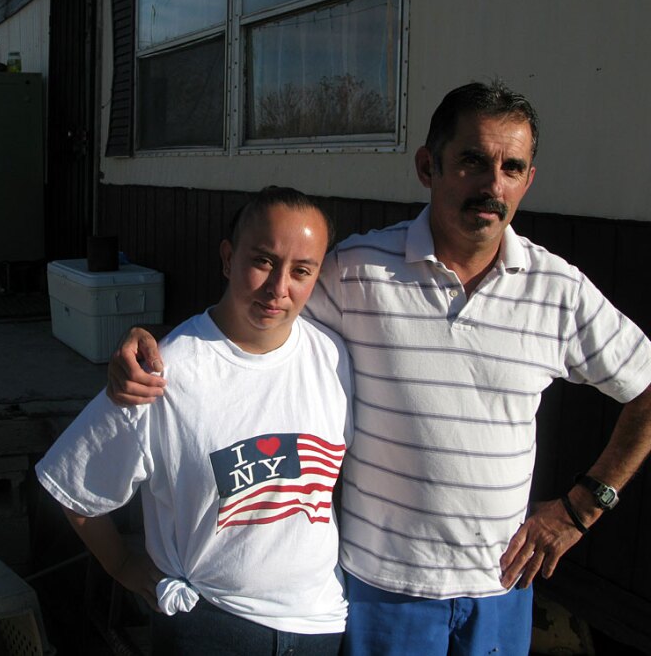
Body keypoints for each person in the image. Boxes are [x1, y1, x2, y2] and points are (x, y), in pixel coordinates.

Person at [107, 80, 651, 654]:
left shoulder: (558, 292)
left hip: (500, 586)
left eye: (512, 167)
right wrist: (151, 348)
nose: (494, 185)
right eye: (471, 160)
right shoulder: (359, 271)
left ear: (528, 180)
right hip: (382, 592)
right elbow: (258, 316)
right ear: (427, 165)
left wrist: (583, 507)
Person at [37, 187, 355, 655]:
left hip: (321, 622)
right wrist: (123, 563)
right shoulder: (164, 371)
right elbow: (74, 484)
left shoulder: (332, 357)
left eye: (301, 271)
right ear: (228, 258)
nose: (278, 288)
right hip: (212, 627)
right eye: (263, 261)